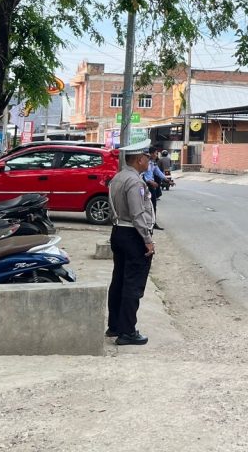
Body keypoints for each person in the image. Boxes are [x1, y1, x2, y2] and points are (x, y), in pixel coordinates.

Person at [107, 140, 156, 345]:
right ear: (139, 159)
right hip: (133, 235)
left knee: (118, 281)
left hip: (118, 231)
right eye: (147, 158)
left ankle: (115, 326)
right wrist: (147, 239)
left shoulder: (118, 177)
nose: (149, 161)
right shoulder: (135, 182)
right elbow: (137, 214)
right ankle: (127, 332)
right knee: (132, 284)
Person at [143, 146, 166, 231]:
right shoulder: (145, 162)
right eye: (156, 153)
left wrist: (166, 179)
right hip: (145, 185)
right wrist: (149, 181)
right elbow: (141, 174)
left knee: (153, 205)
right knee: (146, 205)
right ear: (151, 154)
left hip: (152, 186)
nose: (157, 155)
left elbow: (158, 172)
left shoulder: (153, 163)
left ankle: (153, 222)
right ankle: (147, 223)